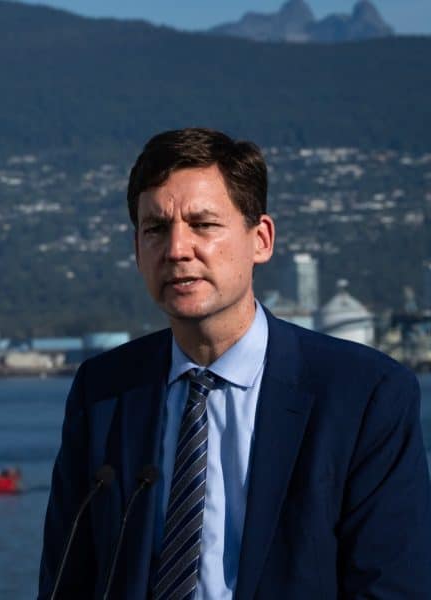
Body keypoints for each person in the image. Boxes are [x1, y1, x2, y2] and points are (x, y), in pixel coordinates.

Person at [38, 128, 431, 599]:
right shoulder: (103, 392)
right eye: (156, 229)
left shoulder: (365, 395)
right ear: (137, 249)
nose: (177, 249)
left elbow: (391, 585)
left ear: (260, 239)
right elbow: (66, 582)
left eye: (203, 224)